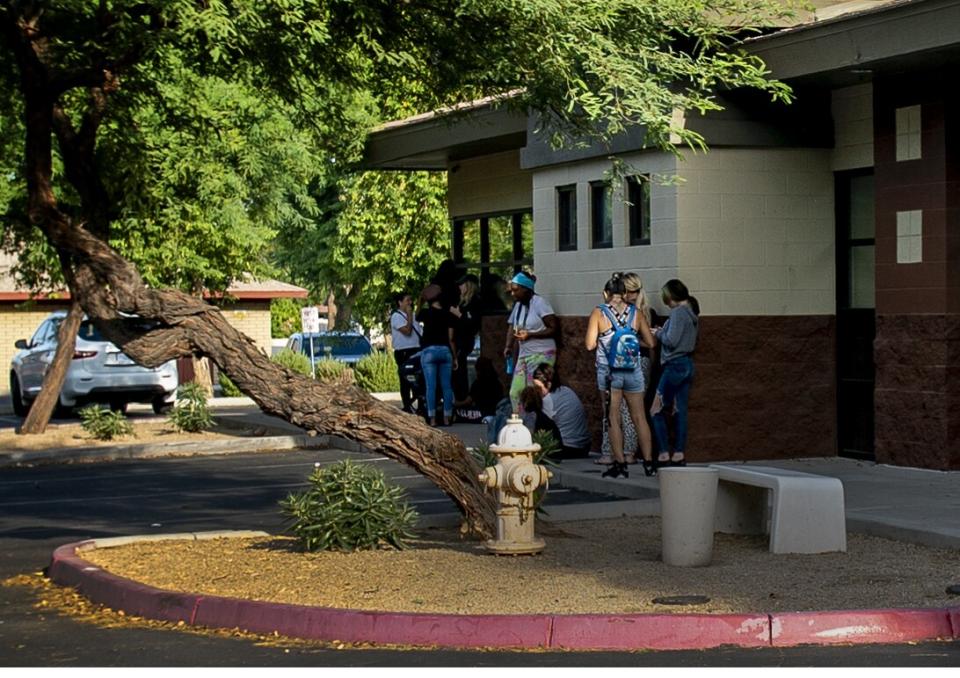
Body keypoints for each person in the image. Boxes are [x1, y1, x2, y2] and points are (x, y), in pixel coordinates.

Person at [585, 272, 657, 479]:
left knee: (613, 417)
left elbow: (590, 344)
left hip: (609, 373)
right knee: (639, 417)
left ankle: (619, 463)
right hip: (633, 370)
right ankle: (649, 463)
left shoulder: (599, 312)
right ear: (625, 293)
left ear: (605, 293)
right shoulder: (636, 313)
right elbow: (651, 343)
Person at [650, 279, 700, 468]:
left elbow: (671, 340)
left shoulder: (678, 313)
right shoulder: (692, 312)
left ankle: (663, 454)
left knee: (656, 410)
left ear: (670, 296)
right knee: (679, 411)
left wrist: (658, 333)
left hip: (674, 365)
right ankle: (678, 453)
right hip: (687, 363)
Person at [503, 272, 557, 410]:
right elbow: (511, 325)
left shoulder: (540, 303)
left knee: (535, 392)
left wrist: (531, 335)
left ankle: (538, 426)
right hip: (524, 353)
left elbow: (553, 328)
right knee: (515, 392)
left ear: (526, 289)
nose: (513, 294)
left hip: (542, 353)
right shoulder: (518, 305)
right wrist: (508, 345)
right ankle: (522, 424)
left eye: (516, 290)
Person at [416, 283, 457, 427]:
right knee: (447, 386)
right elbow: (451, 338)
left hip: (429, 351)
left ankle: (432, 418)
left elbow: (416, 315)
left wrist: (420, 300)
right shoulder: (448, 314)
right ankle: (447, 417)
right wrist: (455, 357)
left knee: (431, 387)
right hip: (445, 351)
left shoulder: (425, 313)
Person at [531, 363, 591, 458]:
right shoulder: (566, 390)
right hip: (584, 447)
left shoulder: (548, 401)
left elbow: (540, 427)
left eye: (538, 388)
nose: (536, 391)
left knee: (539, 416)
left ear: (549, 384)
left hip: (568, 448)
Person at [390, 292, 422, 414]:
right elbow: (407, 331)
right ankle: (407, 405)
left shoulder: (413, 315)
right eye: (407, 300)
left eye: (411, 300)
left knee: (418, 379)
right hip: (403, 350)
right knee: (405, 379)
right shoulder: (396, 316)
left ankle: (419, 404)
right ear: (400, 302)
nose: (410, 303)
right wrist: (408, 316)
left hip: (415, 348)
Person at [453, 273, 482, 400]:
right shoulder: (462, 301)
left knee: (465, 371)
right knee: (459, 372)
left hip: (469, 342)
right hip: (460, 341)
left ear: (469, 285)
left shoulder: (475, 301)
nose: (459, 287)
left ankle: (467, 398)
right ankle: (461, 397)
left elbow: (473, 323)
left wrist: (458, 315)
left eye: (462, 284)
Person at [455, 355, 504, 420]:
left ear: (478, 369)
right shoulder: (497, 382)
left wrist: (456, 404)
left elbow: (468, 401)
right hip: (494, 413)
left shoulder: (477, 383)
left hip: (481, 413)